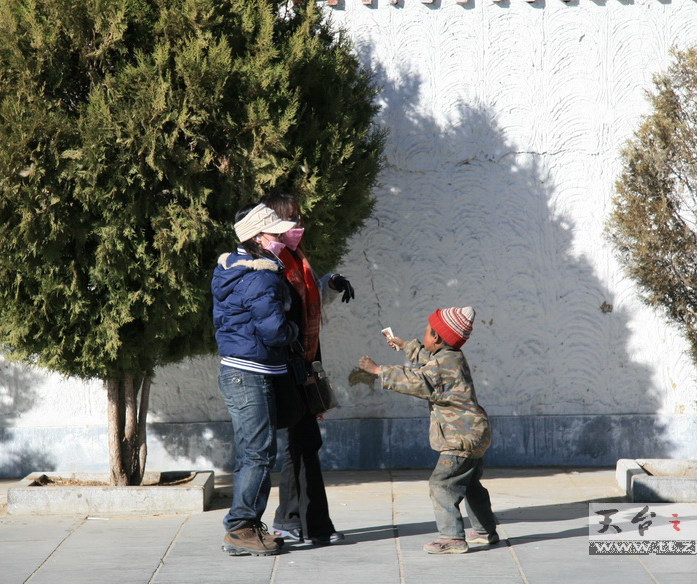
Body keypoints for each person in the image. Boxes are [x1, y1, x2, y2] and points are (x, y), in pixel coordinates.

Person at [357, 307, 499, 554]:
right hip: (474, 433)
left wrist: (379, 371)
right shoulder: (452, 357)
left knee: (441, 484)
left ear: (438, 338)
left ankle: (452, 537)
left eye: (426, 333)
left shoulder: (441, 367)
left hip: (459, 438)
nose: (423, 336)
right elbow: (430, 362)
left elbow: (417, 381)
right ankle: (485, 531)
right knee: (470, 484)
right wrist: (405, 345)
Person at [259, 192, 353, 546]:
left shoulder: (296, 258)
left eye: (300, 218)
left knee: (302, 444)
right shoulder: (271, 262)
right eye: (292, 218)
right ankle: (303, 523)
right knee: (301, 443)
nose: (299, 225)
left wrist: (329, 283)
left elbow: (304, 303)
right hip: (287, 364)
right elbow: (278, 314)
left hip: (307, 361)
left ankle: (300, 521)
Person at [212, 202, 300, 557]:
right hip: (250, 373)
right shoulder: (260, 275)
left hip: (243, 370)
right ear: (259, 237)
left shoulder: (236, 269)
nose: (283, 237)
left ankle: (244, 526)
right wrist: (294, 328)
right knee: (259, 454)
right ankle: (240, 527)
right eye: (277, 233)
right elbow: (275, 330)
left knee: (252, 453)